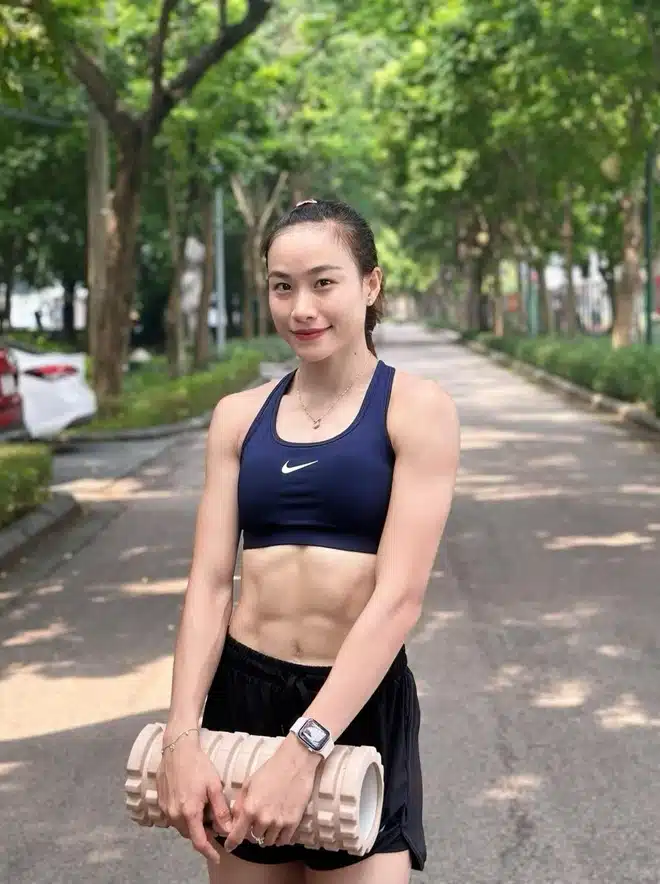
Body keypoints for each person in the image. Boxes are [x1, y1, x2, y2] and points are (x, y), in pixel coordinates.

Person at [156, 198, 460, 883]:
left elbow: (398, 599)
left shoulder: (416, 409)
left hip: (354, 703)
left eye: (324, 283)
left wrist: (303, 749)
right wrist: (181, 734)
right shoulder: (239, 416)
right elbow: (210, 584)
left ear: (370, 285)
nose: (302, 308)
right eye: (282, 286)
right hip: (244, 697)